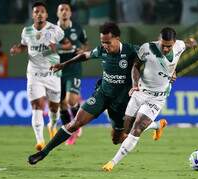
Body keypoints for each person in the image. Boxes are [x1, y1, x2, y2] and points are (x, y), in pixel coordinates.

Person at [27, 22, 144, 165]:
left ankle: (149, 126)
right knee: (75, 123)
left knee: (117, 139)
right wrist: (64, 64)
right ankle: (43, 152)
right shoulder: (101, 50)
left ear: (117, 38)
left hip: (121, 102)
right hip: (102, 95)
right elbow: (84, 56)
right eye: (103, 42)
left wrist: (170, 73)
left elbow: (154, 60)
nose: (105, 46)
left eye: (108, 42)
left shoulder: (133, 51)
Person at [102, 27, 197, 172]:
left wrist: (193, 43)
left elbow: (189, 42)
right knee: (125, 130)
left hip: (158, 97)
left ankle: (112, 163)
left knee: (138, 128)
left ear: (174, 42)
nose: (165, 48)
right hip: (141, 91)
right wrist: (134, 84)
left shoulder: (179, 46)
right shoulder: (147, 48)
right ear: (159, 40)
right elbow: (135, 66)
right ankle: (157, 125)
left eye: (168, 46)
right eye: (163, 44)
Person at [10, 1, 64, 151]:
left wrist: (53, 49)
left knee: (54, 108)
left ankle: (52, 125)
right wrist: (17, 49)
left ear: (46, 14)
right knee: (37, 105)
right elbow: (24, 45)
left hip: (52, 73)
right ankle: (40, 140)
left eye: (42, 11)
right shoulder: (26, 31)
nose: (39, 14)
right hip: (34, 74)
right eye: (36, 12)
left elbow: (64, 45)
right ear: (33, 15)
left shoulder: (55, 30)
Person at [56, 3, 89, 145]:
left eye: (66, 10)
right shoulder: (52, 30)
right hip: (57, 71)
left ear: (70, 13)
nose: (64, 12)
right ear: (57, 13)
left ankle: (77, 125)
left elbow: (86, 45)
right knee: (60, 104)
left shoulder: (78, 28)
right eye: (61, 10)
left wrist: (83, 51)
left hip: (73, 69)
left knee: (71, 101)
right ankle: (70, 132)